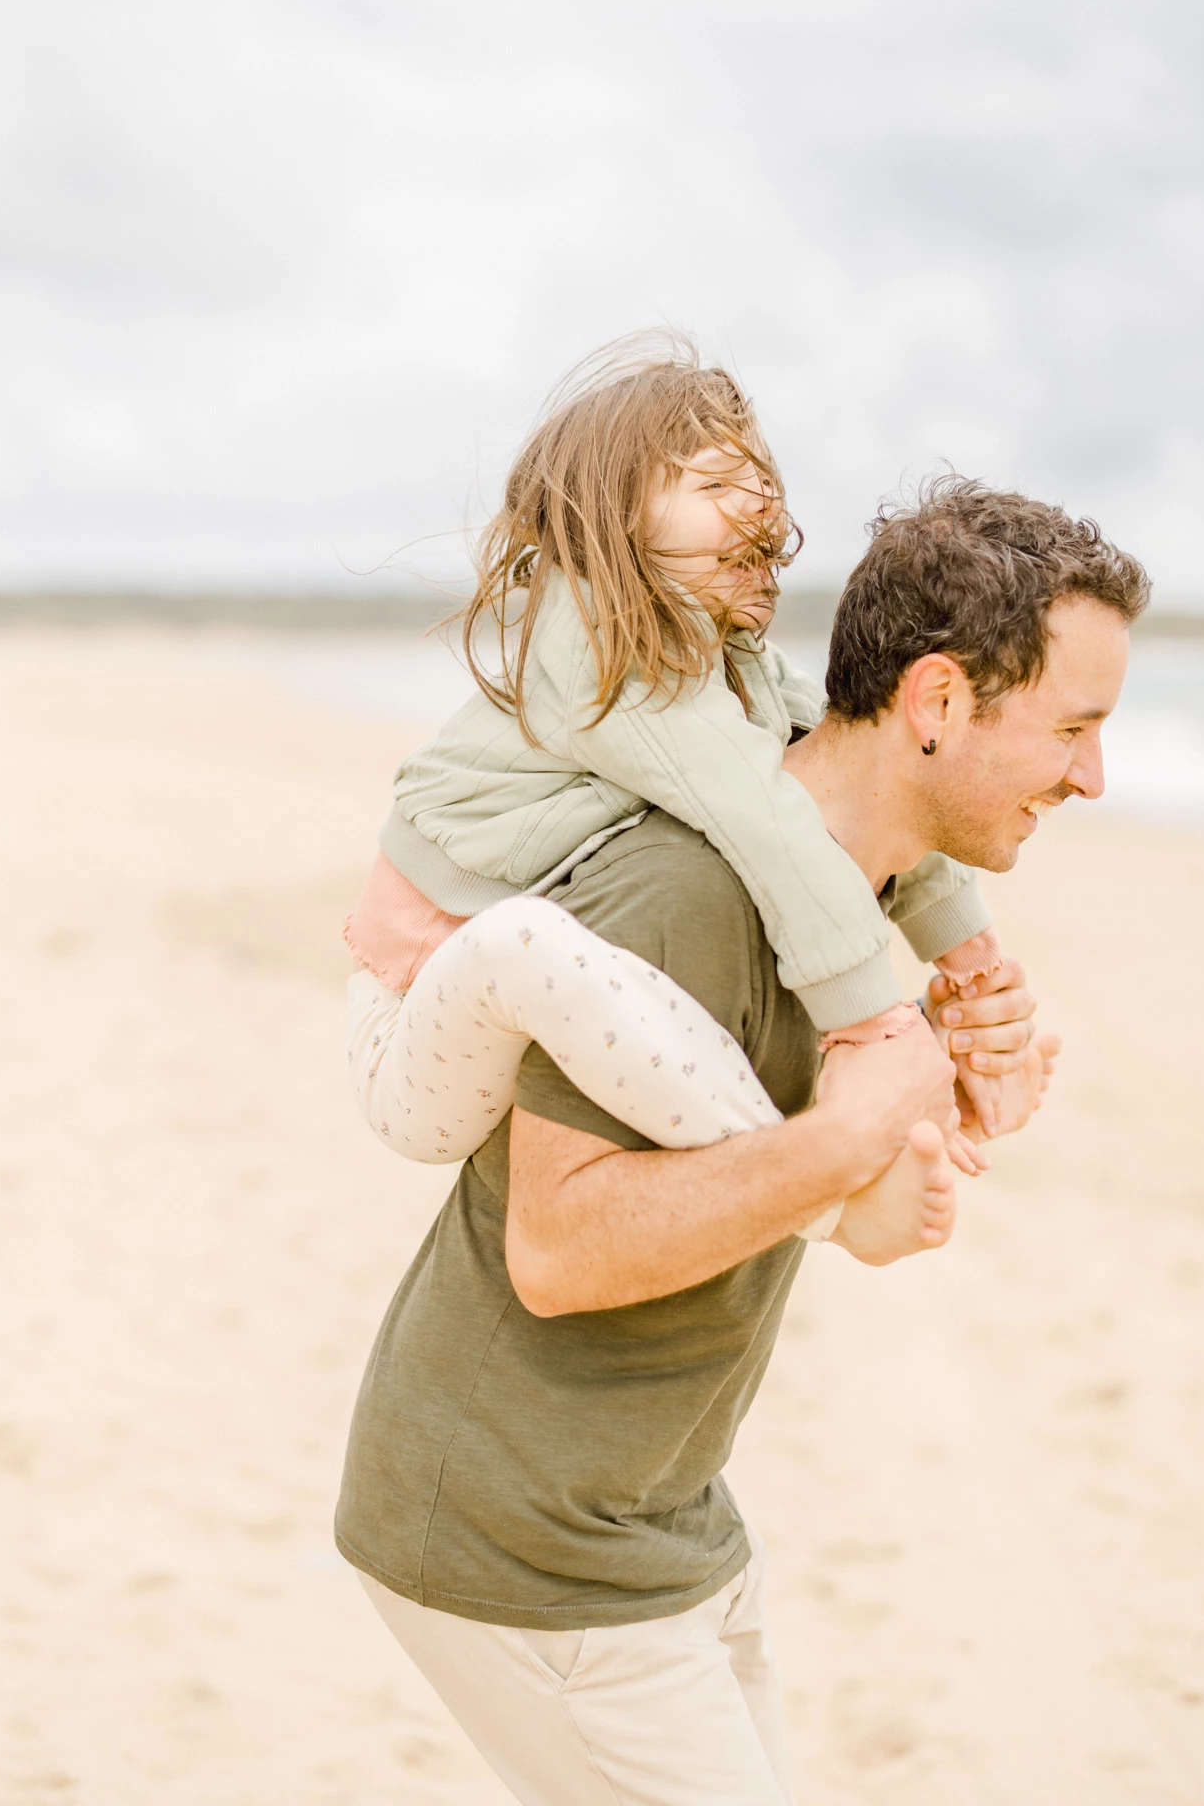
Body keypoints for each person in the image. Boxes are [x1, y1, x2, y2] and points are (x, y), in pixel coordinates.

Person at [335, 477, 1150, 1805]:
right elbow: (555, 1246)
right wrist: (848, 1143)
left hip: (668, 1526)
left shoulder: (855, 903)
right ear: (938, 703)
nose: (1093, 777)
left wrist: (935, 1121)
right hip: (513, 1538)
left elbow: (860, 1219)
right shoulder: (687, 890)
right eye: (1075, 727)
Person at [344, 337, 1014, 1216]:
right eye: (714, 486)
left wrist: (970, 957)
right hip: (413, 1027)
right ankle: (830, 1194)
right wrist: (870, 1023)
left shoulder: (730, 661)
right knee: (528, 945)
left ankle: (895, 1109)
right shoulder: (601, 652)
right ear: (614, 517)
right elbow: (761, 814)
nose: (757, 505)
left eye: (762, 481)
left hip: (520, 1019)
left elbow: (846, 764)